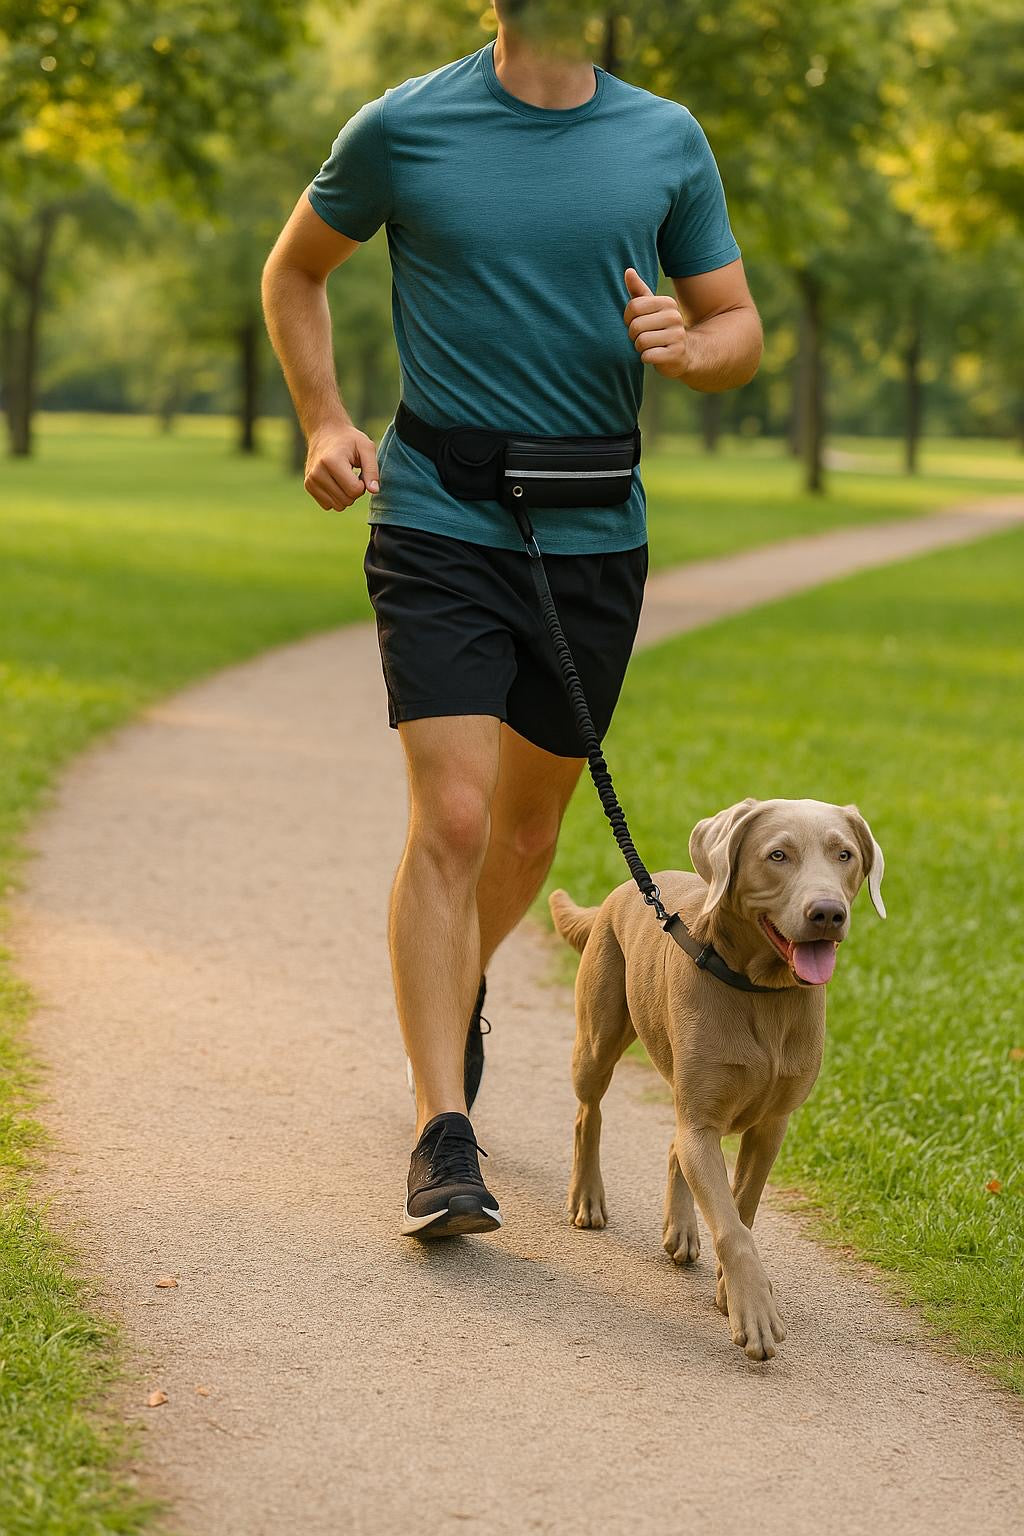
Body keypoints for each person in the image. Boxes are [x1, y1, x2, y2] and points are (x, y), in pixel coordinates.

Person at [261, 0, 762, 1239]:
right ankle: (444, 1131)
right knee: (457, 815)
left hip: (596, 534)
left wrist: (689, 351)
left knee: (528, 839)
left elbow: (739, 328)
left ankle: (456, 983)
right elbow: (294, 271)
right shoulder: (405, 125)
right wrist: (327, 420)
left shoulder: (666, 138)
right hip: (439, 518)